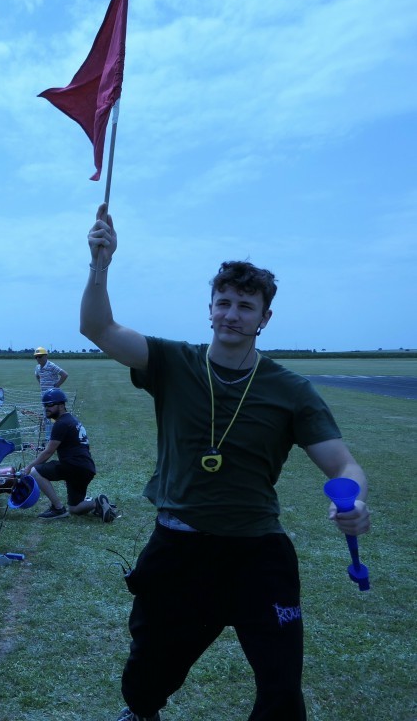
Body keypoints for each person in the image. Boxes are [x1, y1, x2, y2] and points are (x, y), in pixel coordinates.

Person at [79, 203, 371, 721]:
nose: (233, 314)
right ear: (210, 309)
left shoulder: (290, 390)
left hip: (257, 552)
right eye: (224, 303)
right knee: (149, 669)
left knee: (281, 685)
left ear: (264, 318)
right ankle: (141, 711)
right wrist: (100, 263)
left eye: (246, 306)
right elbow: (98, 328)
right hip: (178, 546)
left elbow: (344, 466)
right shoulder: (173, 362)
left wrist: (356, 501)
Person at [21, 387, 116, 521]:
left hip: (74, 466)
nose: (46, 408)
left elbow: (49, 451)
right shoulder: (72, 420)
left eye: (50, 405)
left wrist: (29, 467)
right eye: (45, 405)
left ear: (61, 405)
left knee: (35, 472)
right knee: (75, 508)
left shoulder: (61, 423)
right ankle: (98, 504)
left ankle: (58, 509)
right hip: (86, 468)